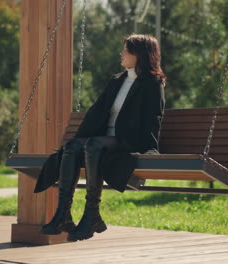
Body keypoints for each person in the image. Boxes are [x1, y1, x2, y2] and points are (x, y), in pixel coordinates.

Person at [34, 33, 166, 242]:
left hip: (129, 141)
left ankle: (91, 213)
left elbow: (154, 118)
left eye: (126, 50)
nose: (121, 53)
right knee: (72, 147)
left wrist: (149, 148)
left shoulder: (152, 83)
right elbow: (97, 113)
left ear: (139, 54)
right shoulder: (117, 80)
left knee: (94, 144)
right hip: (105, 139)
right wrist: (80, 138)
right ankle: (63, 214)